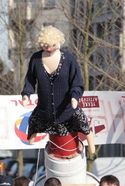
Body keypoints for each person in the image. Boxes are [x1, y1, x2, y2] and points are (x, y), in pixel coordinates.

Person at [21, 26, 94, 154]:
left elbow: (77, 82)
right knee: (34, 120)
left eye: (52, 45)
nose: (49, 49)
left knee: (82, 122)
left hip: (67, 107)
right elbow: (30, 79)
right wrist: (26, 95)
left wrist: (75, 97)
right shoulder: (36, 59)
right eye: (45, 46)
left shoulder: (69, 59)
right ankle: (32, 135)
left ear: (59, 42)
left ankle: (91, 144)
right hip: (45, 107)